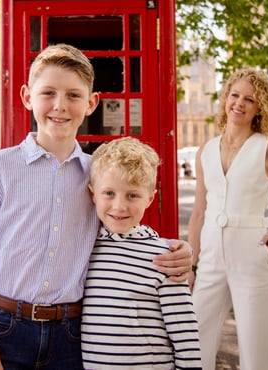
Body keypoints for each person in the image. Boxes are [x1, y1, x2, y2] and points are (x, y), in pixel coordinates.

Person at [0, 43, 191, 370]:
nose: (60, 106)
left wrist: (176, 250)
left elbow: (123, 230)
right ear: (27, 97)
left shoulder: (97, 175)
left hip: (72, 336)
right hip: (4, 327)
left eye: (73, 95)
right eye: (48, 93)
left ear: (91, 103)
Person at [187, 68, 268, 370]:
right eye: (235, 95)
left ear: (259, 108)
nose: (239, 104)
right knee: (194, 339)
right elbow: (200, 211)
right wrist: (191, 264)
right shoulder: (205, 151)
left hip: (253, 255)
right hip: (211, 257)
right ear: (226, 98)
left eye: (249, 100)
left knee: (257, 346)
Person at [81, 137, 202, 369]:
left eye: (132, 195)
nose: (119, 206)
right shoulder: (84, 248)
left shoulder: (165, 256)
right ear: (92, 194)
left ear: (150, 198)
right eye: (109, 193)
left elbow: (184, 330)